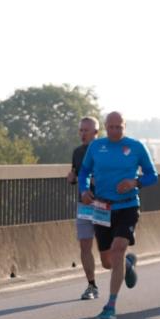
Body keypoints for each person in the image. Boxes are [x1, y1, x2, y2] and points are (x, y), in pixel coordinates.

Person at [77, 111, 158, 319]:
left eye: (118, 127)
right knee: (107, 262)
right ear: (105, 127)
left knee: (118, 248)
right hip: (102, 208)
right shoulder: (96, 147)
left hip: (128, 206)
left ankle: (110, 306)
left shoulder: (136, 146)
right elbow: (84, 172)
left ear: (125, 126)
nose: (114, 131)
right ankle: (127, 265)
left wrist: (135, 183)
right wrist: (84, 190)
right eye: (111, 127)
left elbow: (152, 176)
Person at [68, 116, 101, 300]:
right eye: (80, 130)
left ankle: (125, 264)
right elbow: (76, 173)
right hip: (84, 205)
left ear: (96, 133)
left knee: (109, 252)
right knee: (85, 245)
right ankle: (91, 285)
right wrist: (72, 178)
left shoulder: (104, 150)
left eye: (86, 130)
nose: (82, 134)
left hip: (104, 204)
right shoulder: (77, 152)